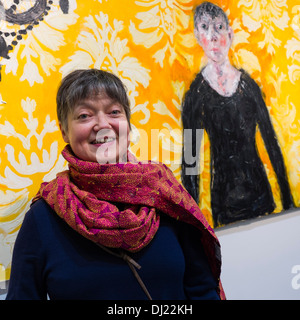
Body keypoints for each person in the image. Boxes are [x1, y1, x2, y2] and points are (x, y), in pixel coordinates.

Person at [6, 68, 225, 300]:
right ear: (64, 131)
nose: (102, 124)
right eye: (84, 116)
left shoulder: (166, 194)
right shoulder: (44, 216)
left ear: (128, 125)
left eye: (114, 112)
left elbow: (201, 288)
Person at [181, 2, 294, 227]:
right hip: (225, 202)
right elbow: (190, 162)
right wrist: (192, 225)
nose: (213, 36)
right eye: (205, 27)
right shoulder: (196, 94)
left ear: (230, 34)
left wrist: (289, 203)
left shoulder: (248, 86)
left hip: (261, 195)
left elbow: (271, 143)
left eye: (219, 27)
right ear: (196, 35)